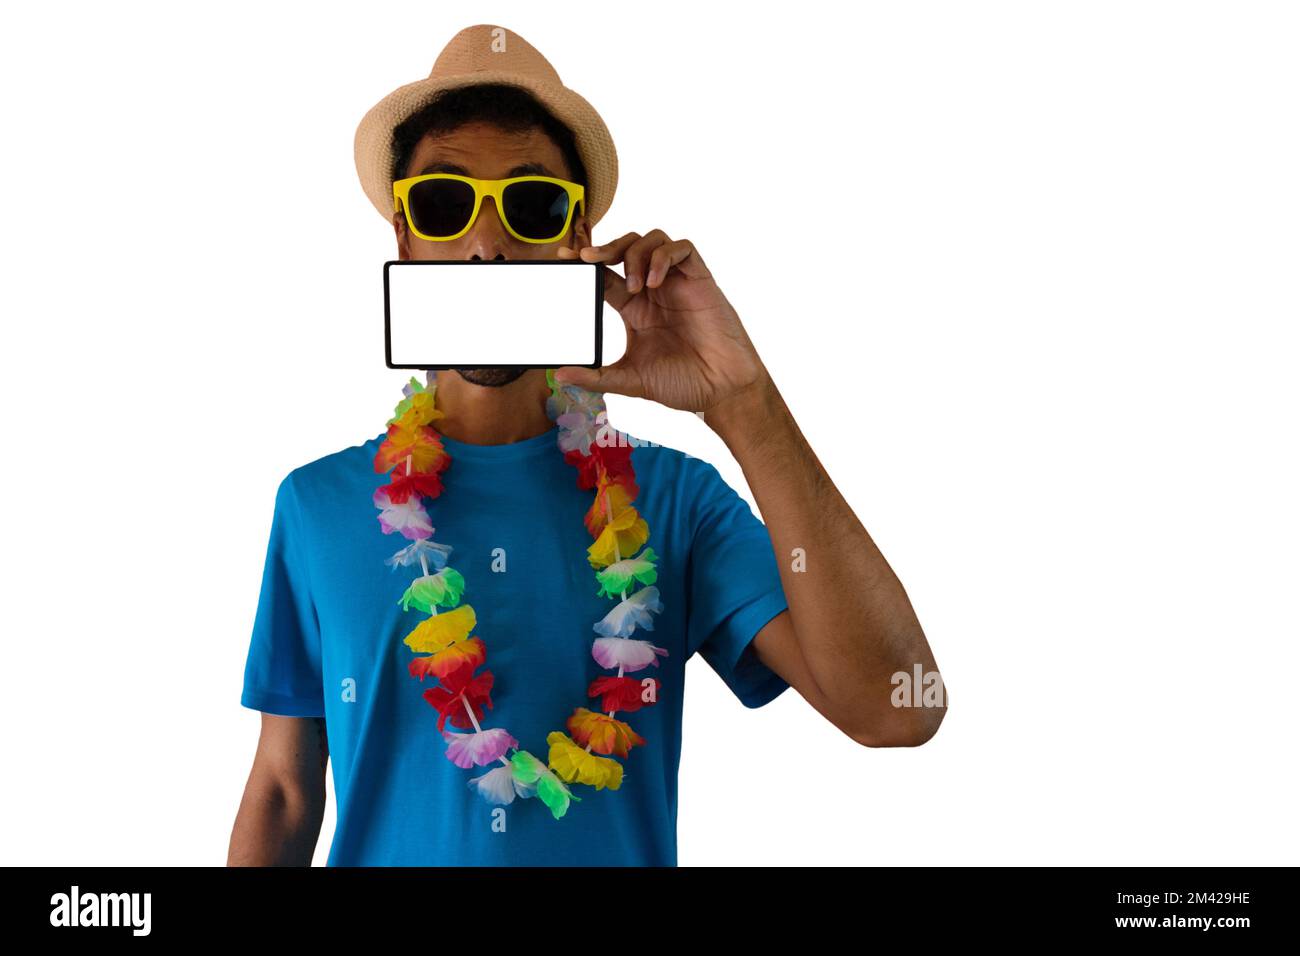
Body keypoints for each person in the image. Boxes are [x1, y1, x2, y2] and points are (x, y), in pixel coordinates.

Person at [229, 23, 945, 867]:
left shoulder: (678, 504)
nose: (487, 243)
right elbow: (283, 789)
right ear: (404, 239)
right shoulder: (316, 508)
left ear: (576, 239)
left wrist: (742, 402)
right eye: (444, 204)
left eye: (530, 205)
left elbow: (898, 709)